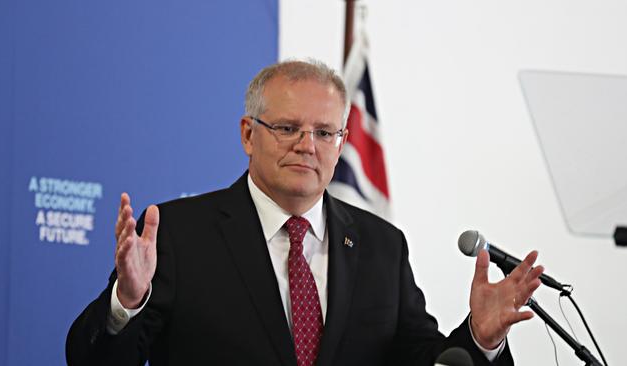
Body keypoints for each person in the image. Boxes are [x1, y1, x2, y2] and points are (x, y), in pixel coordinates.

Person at [66, 60, 543, 366]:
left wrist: (479, 337)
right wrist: (125, 304)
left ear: (341, 143)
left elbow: (419, 358)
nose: (306, 146)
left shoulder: (381, 245)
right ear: (248, 135)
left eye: (324, 132)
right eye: (288, 127)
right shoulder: (179, 235)